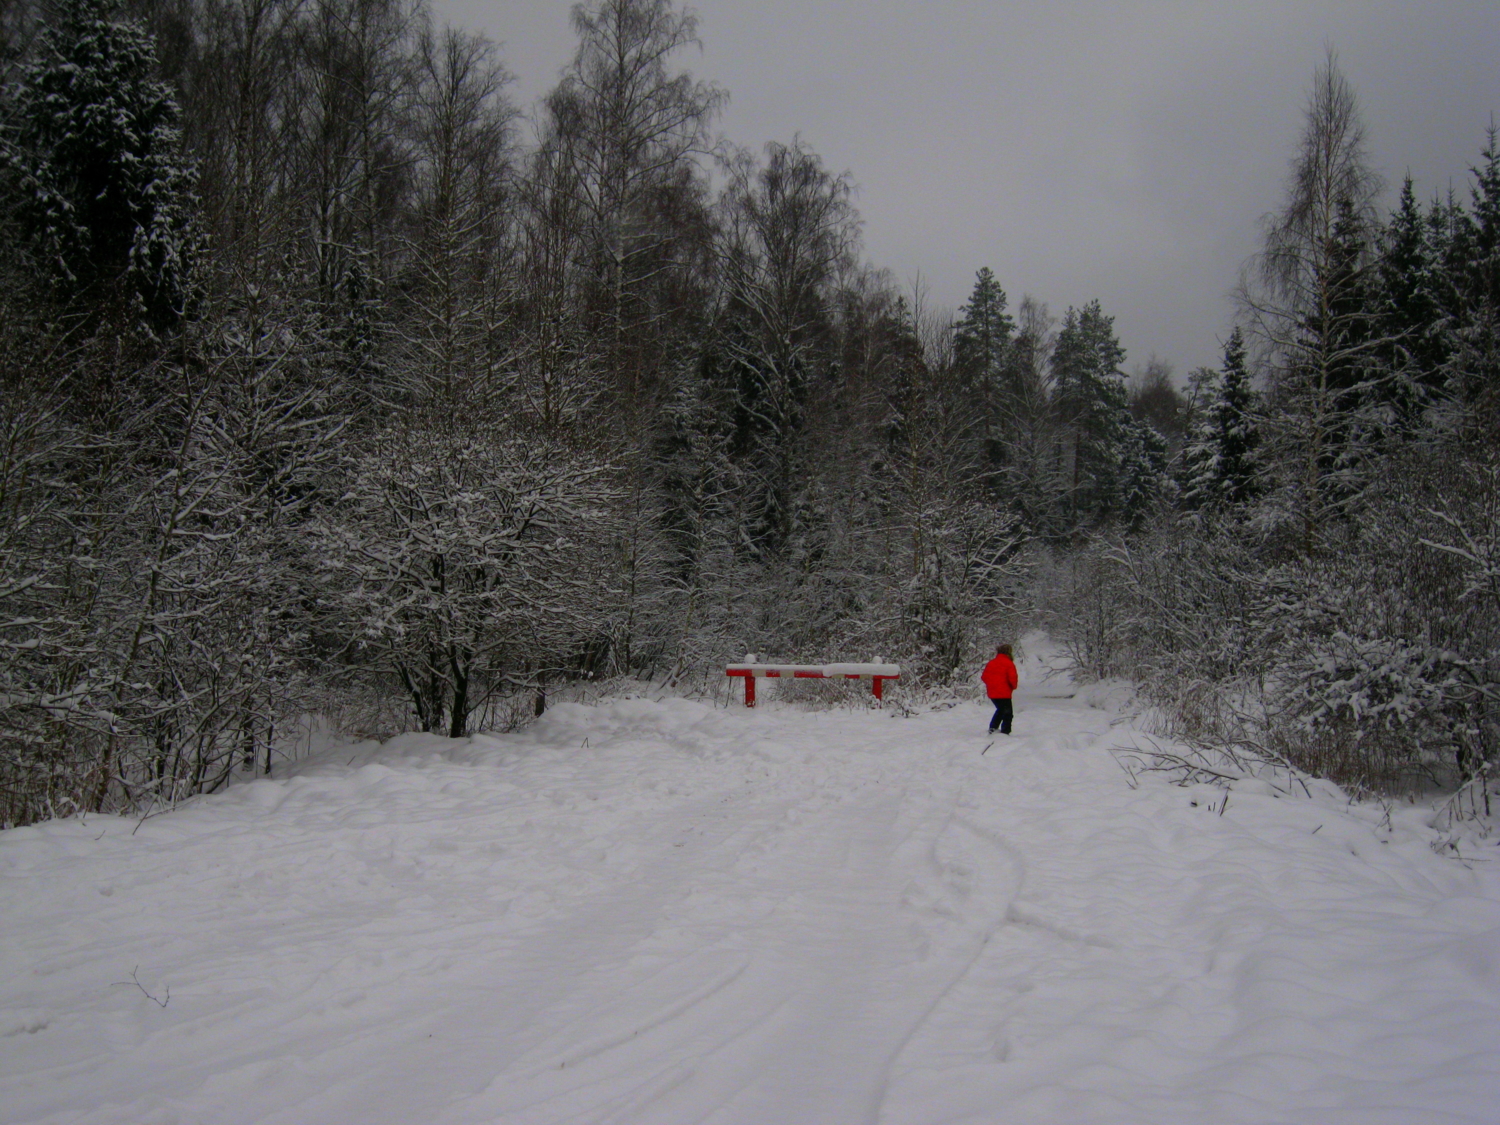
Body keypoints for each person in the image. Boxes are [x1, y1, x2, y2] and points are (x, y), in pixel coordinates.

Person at [982, 643, 1018, 734]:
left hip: (992, 692)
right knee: (1007, 713)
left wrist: (991, 685)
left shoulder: (991, 663)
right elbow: (1012, 678)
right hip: (1004, 692)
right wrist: (1013, 687)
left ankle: (993, 728)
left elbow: (984, 677)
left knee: (1000, 710)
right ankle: (1005, 732)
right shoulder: (1009, 663)